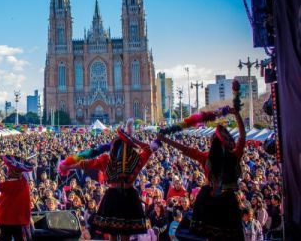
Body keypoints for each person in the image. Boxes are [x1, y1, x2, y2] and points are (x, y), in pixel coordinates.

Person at [158, 82, 246, 241]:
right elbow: (243, 136)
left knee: (209, 236)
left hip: (209, 199)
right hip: (228, 200)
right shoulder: (234, 156)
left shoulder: (206, 157)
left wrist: (165, 139)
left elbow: (185, 149)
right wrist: (237, 115)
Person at [60, 121, 154, 241]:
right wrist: (135, 141)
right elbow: (148, 149)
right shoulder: (135, 160)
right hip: (126, 196)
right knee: (122, 233)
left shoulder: (108, 160)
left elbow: (86, 164)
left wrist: (68, 166)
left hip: (115, 196)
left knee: (115, 233)